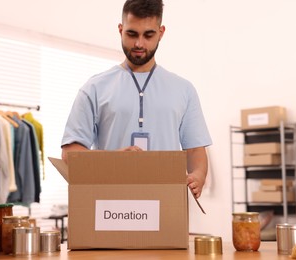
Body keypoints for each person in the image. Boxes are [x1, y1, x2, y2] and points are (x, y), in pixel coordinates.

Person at [61, 0, 212, 199]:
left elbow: (195, 150)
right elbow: (70, 153)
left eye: (148, 35)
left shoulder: (184, 89)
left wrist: (198, 175)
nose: (139, 44)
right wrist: (113, 159)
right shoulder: (94, 88)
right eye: (132, 34)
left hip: (166, 205)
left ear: (161, 32)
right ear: (120, 30)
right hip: (109, 206)